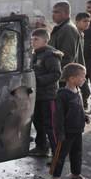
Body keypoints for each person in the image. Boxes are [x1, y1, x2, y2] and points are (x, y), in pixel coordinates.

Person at [49, 63, 90, 179]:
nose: (84, 79)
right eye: (82, 77)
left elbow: (80, 108)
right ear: (72, 79)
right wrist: (59, 133)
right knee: (60, 154)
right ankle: (55, 176)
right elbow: (58, 116)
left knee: (77, 153)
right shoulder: (63, 94)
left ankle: (75, 173)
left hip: (77, 129)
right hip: (66, 131)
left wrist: (85, 117)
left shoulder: (78, 91)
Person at [28, 28, 63, 157]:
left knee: (51, 126)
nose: (33, 42)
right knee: (38, 123)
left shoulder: (51, 55)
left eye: (36, 39)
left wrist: (36, 80)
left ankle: (57, 154)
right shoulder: (35, 54)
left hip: (48, 96)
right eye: (32, 39)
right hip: (37, 95)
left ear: (45, 41)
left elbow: (56, 74)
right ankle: (41, 147)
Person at [48, 1, 82, 69]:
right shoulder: (61, 28)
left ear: (66, 13)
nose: (53, 15)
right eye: (53, 12)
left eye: (56, 12)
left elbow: (67, 57)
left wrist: (61, 75)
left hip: (67, 74)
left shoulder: (68, 29)